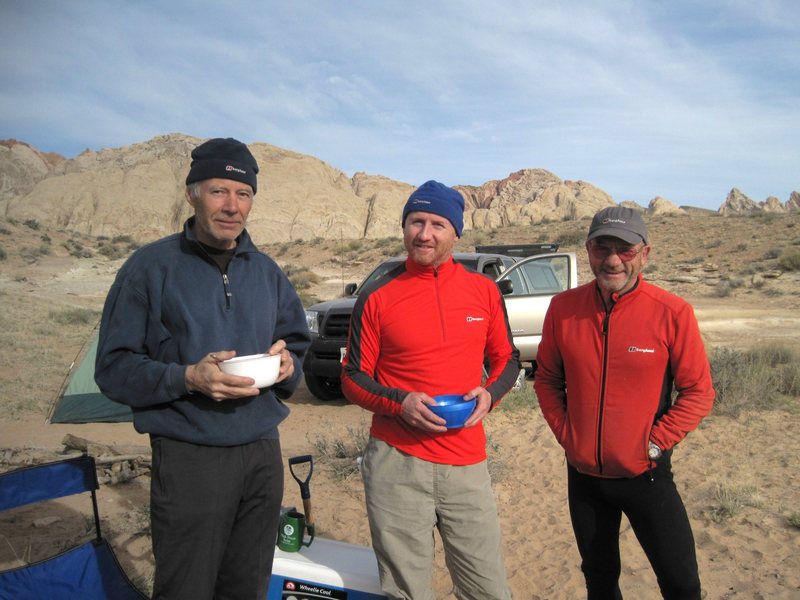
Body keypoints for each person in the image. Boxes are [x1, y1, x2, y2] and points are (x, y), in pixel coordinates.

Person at [95, 137, 311, 600]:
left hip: (260, 453)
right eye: (218, 191)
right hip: (189, 455)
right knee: (186, 588)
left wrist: (289, 365)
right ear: (192, 193)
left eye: (243, 194)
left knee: (247, 586)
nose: (232, 206)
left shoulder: (266, 271)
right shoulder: (150, 268)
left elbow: (298, 350)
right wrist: (188, 377)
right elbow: (113, 369)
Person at [341, 180, 521, 600]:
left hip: (466, 459)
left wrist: (490, 395)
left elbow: (507, 360)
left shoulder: (483, 291)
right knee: (406, 592)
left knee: (488, 589)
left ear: (456, 232)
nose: (425, 234)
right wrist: (400, 403)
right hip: (397, 461)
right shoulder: (377, 294)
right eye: (415, 222)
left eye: (437, 224)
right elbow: (353, 377)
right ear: (403, 228)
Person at [534, 206, 715, 599]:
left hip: (645, 474)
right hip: (584, 477)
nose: (612, 259)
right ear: (588, 250)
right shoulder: (563, 309)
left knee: (681, 583)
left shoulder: (672, 313)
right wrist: (568, 435)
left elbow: (698, 390)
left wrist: (656, 442)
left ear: (644, 254)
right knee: (599, 580)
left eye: (625, 249)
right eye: (602, 247)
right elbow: (547, 378)